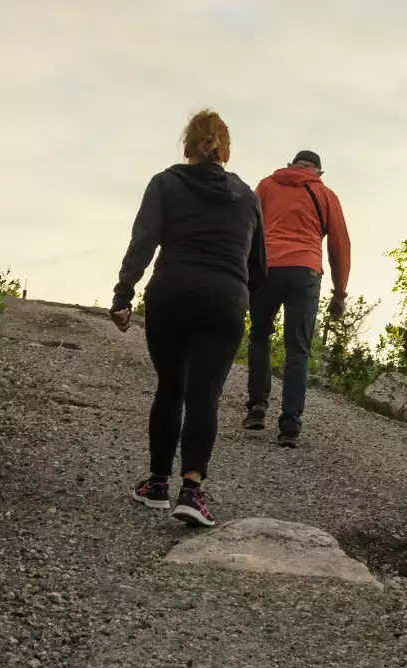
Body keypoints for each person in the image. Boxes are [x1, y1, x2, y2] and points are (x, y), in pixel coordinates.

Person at [110, 109, 266, 528]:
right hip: (226, 299)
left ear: (188, 145)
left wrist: (123, 294)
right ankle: (192, 492)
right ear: (225, 151)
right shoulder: (249, 197)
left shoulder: (165, 182)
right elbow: (259, 268)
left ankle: (157, 484)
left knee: (170, 387)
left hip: (171, 294)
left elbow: (143, 240)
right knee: (205, 394)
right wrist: (236, 302)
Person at [244, 149, 351, 447]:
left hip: (267, 268)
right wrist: (340, 292)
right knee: (297, 348)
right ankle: (290, 425)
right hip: (304, 272)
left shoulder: (266, 185)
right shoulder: (325, 195)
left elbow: (247, 227)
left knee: (259, 335)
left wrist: (242, 270)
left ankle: (257, 406)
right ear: (318, 171)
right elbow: (339, 246)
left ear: (291, 165)